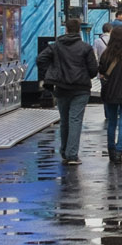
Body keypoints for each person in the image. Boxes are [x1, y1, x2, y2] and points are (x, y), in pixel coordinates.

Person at [37, 17, 98, 165]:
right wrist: (85, 74)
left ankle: (64, 151)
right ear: (78, 30)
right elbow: (93, 70)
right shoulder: (85, 48)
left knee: (64, 120)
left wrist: (50, 73)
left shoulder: (56, 46)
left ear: (66, 29)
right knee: (75, 119)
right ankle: (72, 155)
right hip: (81, 88)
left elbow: (40, 59)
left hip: (61, 87)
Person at [96, 25, 122, 164]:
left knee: (112, 123)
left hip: (110, 93)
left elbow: (101, 70)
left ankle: (111, 151)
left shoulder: (106, 55)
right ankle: (119, 152)